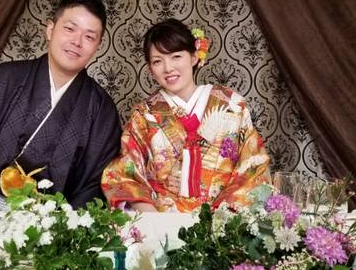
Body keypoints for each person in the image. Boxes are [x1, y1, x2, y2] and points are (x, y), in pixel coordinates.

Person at [0, 0, 121, 210]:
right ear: (50, 30)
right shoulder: (4, 80)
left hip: (59, 221)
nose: (76, 42)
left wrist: (66, 226)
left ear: (97, 46)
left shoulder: (101, 109)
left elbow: (93, 184)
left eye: (89, 37)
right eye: (70, 29)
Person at [101, 19, 270, 212]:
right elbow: (123, 176)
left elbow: (254, 167)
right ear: (150, 69)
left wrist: (221, 220)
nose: (168, 68)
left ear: (194, 56)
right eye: (157, 61)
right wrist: (153, 221)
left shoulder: (232, 105)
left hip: (222, 220)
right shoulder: (144, 115)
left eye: (176, 56)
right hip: (163, 220)